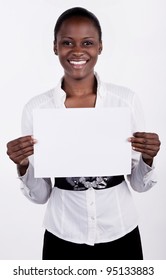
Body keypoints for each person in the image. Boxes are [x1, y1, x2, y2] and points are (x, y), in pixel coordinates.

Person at [6, 7, 160, 260]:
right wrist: (22, 165)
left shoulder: (125, 101)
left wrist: (149, 158)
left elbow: (139, 184)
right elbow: (41, 195)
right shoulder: (37, 108)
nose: (77, 51)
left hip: (120, 229)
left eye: (87, 43)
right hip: (63, 231)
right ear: (55, 47)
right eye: (67, 43)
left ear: (100, 47)